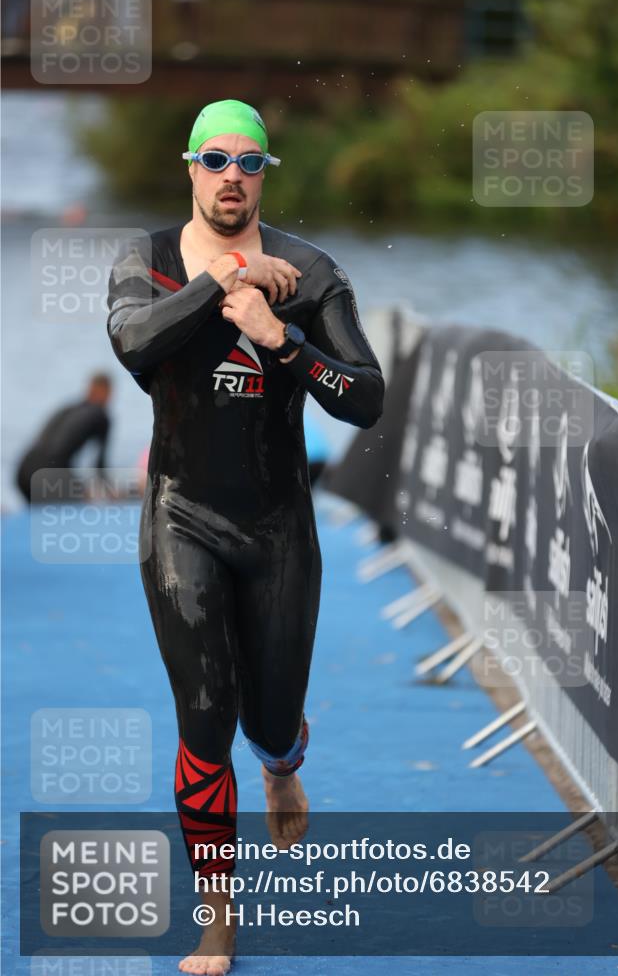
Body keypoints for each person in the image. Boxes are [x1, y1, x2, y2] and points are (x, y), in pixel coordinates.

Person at [106, 99, 384, 975]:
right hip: (180, 515)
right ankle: (218, 918)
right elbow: (132, 343)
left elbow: (365, 397)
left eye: (250, 162)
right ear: (189, 166)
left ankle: (283, 756)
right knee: (203, 715)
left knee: (264, 719)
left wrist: (283, 340)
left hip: (277, 530)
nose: (233, 175)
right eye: (216, 159)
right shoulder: (146, 261)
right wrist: (225, 282)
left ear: (266, 174)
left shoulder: (310, 271)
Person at [15, 373, 112, 505]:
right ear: (106, 392)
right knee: (80, 506)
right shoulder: (101, 416)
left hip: (23, 471)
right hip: (49, 474)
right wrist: (110, 494)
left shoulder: (67, 408)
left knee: (40, 517)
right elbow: (99, 467)